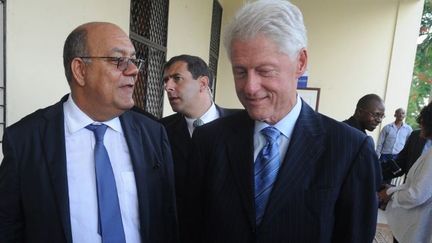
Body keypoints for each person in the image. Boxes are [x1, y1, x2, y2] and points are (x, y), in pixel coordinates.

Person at [181, 1, 380, 242]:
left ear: (300, 62)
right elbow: (190, 228)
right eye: (240, 71)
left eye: (265, 71)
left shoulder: (350, 149)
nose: (250, 87)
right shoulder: (208, 140)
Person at [0, 22, 178, 243]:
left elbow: (167, 221)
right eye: (118, 60)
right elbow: (8, 228)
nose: (133, 70)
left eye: (133, 60)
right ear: (80, 70)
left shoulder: (153, 135)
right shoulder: (24, 140)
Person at [159, 54, 239, 238]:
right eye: (166, 80)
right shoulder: (160, 131)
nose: (168, 87)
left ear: (203, 83)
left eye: (177, 78)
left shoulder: (241, 125)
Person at [378, 104, 432, 243]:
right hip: (407, 216)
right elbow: (401, 162)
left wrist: (390, 194)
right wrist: (376, 175)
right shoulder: (415, 136)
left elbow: (416, 195)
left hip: (421, 220)